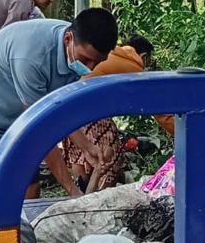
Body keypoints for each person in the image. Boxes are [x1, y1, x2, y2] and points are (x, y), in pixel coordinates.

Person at [0, 7, 118, 194]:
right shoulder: (32, 58)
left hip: (13, 118)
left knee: (29, 189)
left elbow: (59, 110)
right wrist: (71, 190)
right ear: (68, 39)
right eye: (86, 59)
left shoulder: (74, 50)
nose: (90, 68)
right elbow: (41, 131)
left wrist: (87, 147)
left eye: (97, 62)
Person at [62, 36, 176, 192]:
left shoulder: (113, 56)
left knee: (81, 156)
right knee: (111, 155)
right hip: (91, 114)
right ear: (144, 57)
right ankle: (101, 196)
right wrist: (180, 131)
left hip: (69, 113)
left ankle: (80, 194)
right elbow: (157, 108)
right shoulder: (133, 66)